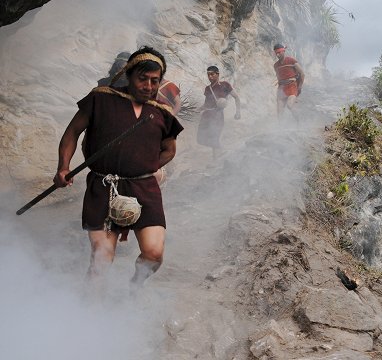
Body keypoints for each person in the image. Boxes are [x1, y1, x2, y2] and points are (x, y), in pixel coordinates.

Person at [53, 46, 184, 287]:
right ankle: (87, 310)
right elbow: (72, 132)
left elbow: (169, 150)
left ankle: (134, 287)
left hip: (145, 188)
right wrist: (63, 167)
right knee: (102, 260)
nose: (148, 86)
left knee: (154, 254)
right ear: (129, 75)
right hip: (103, 186)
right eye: (142, 79)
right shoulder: (100, 99)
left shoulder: (162, 113)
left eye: (155, 81)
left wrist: (146, 166)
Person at [196, 65, 241, 158]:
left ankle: (216, 159)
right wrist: (197, 110)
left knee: (214, 137)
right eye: (208, 75)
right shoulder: (207, 89)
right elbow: (206, 104)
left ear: (218, 74)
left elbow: (236, 97)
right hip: (206, 115)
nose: (210, 77)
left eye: (212, 74)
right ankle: (222, 150)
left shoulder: (225, 85)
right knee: (200, 139)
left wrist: (238, 112)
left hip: (217, 116)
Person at [272, 43, 304, 121]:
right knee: (279, 113)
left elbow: (302, 74)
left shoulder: (291, 60)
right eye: (276, 53)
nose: (278, 55)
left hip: (292, 86)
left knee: (290, 105)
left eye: (279, 52)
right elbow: (279, 76)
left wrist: (299, 87)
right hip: (281, 89)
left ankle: (299, 120)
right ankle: (280, 131)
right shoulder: (276, 65)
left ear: (283, 51)